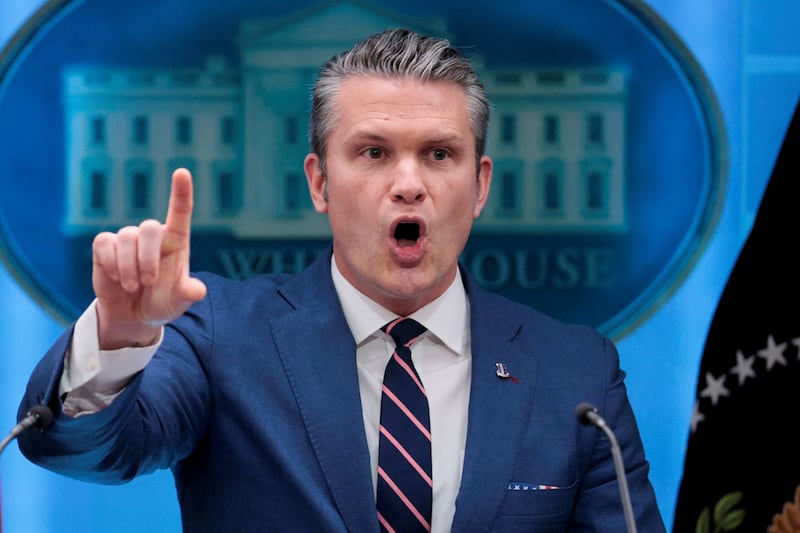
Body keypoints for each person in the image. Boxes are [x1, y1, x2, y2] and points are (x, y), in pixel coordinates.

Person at [17, 28, 665, 532]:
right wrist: (121, 337)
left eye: (439, 154)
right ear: (320, 182)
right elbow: (83, 449)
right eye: (373, 152)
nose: (408, 183)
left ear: (479, 185)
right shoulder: (220, 337)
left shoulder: (577, 375)